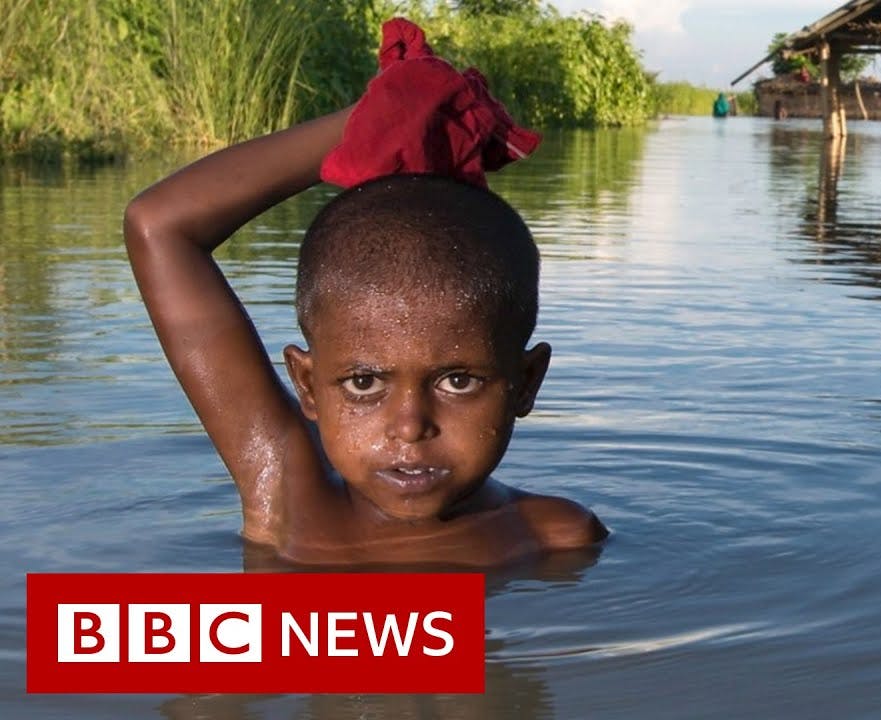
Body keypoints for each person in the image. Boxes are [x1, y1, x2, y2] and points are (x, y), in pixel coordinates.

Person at [123, 25, 607, 567]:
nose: (409, 426)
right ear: (307, 383)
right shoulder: (291, 497)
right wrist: (380, 115)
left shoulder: (551, 536)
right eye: (364, 382)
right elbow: (159, 226)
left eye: (458, 380)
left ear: (525, 383)